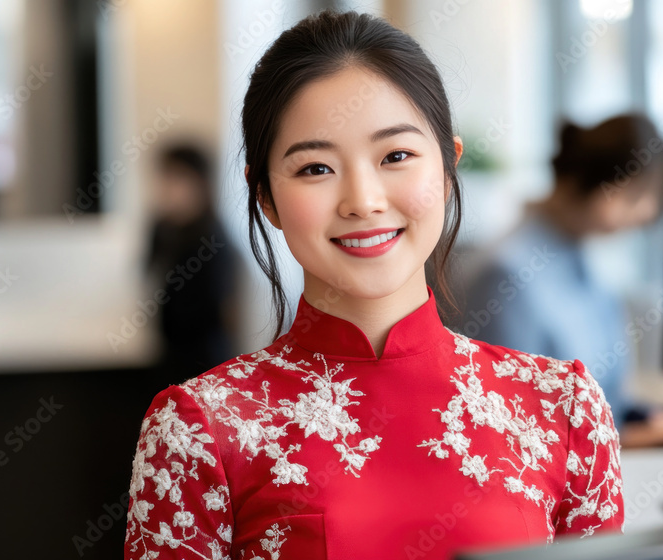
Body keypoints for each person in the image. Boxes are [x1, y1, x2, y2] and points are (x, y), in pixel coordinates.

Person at [124, 12, 623, 559]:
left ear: (448, 168)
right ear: (264, 195)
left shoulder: (564, 408)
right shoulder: (199, 429)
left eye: (396, 157)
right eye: (316, 168)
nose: (363, 200)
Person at [463, 115, 663, 449]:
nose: (647, 213)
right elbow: (511, 426)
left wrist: (646, 419)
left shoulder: (588, 267)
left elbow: (606, 398)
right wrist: (630, 439)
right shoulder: (505, 273)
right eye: (636, 196)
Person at [145, 144, 242, 383]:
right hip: (170, 352)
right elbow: (148, 273)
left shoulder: (212, 238)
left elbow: (211, 311)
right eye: (164, 177)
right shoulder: (163, 227)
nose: (167, 187)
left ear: (199, 183)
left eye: (177, 178)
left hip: (204, 360)